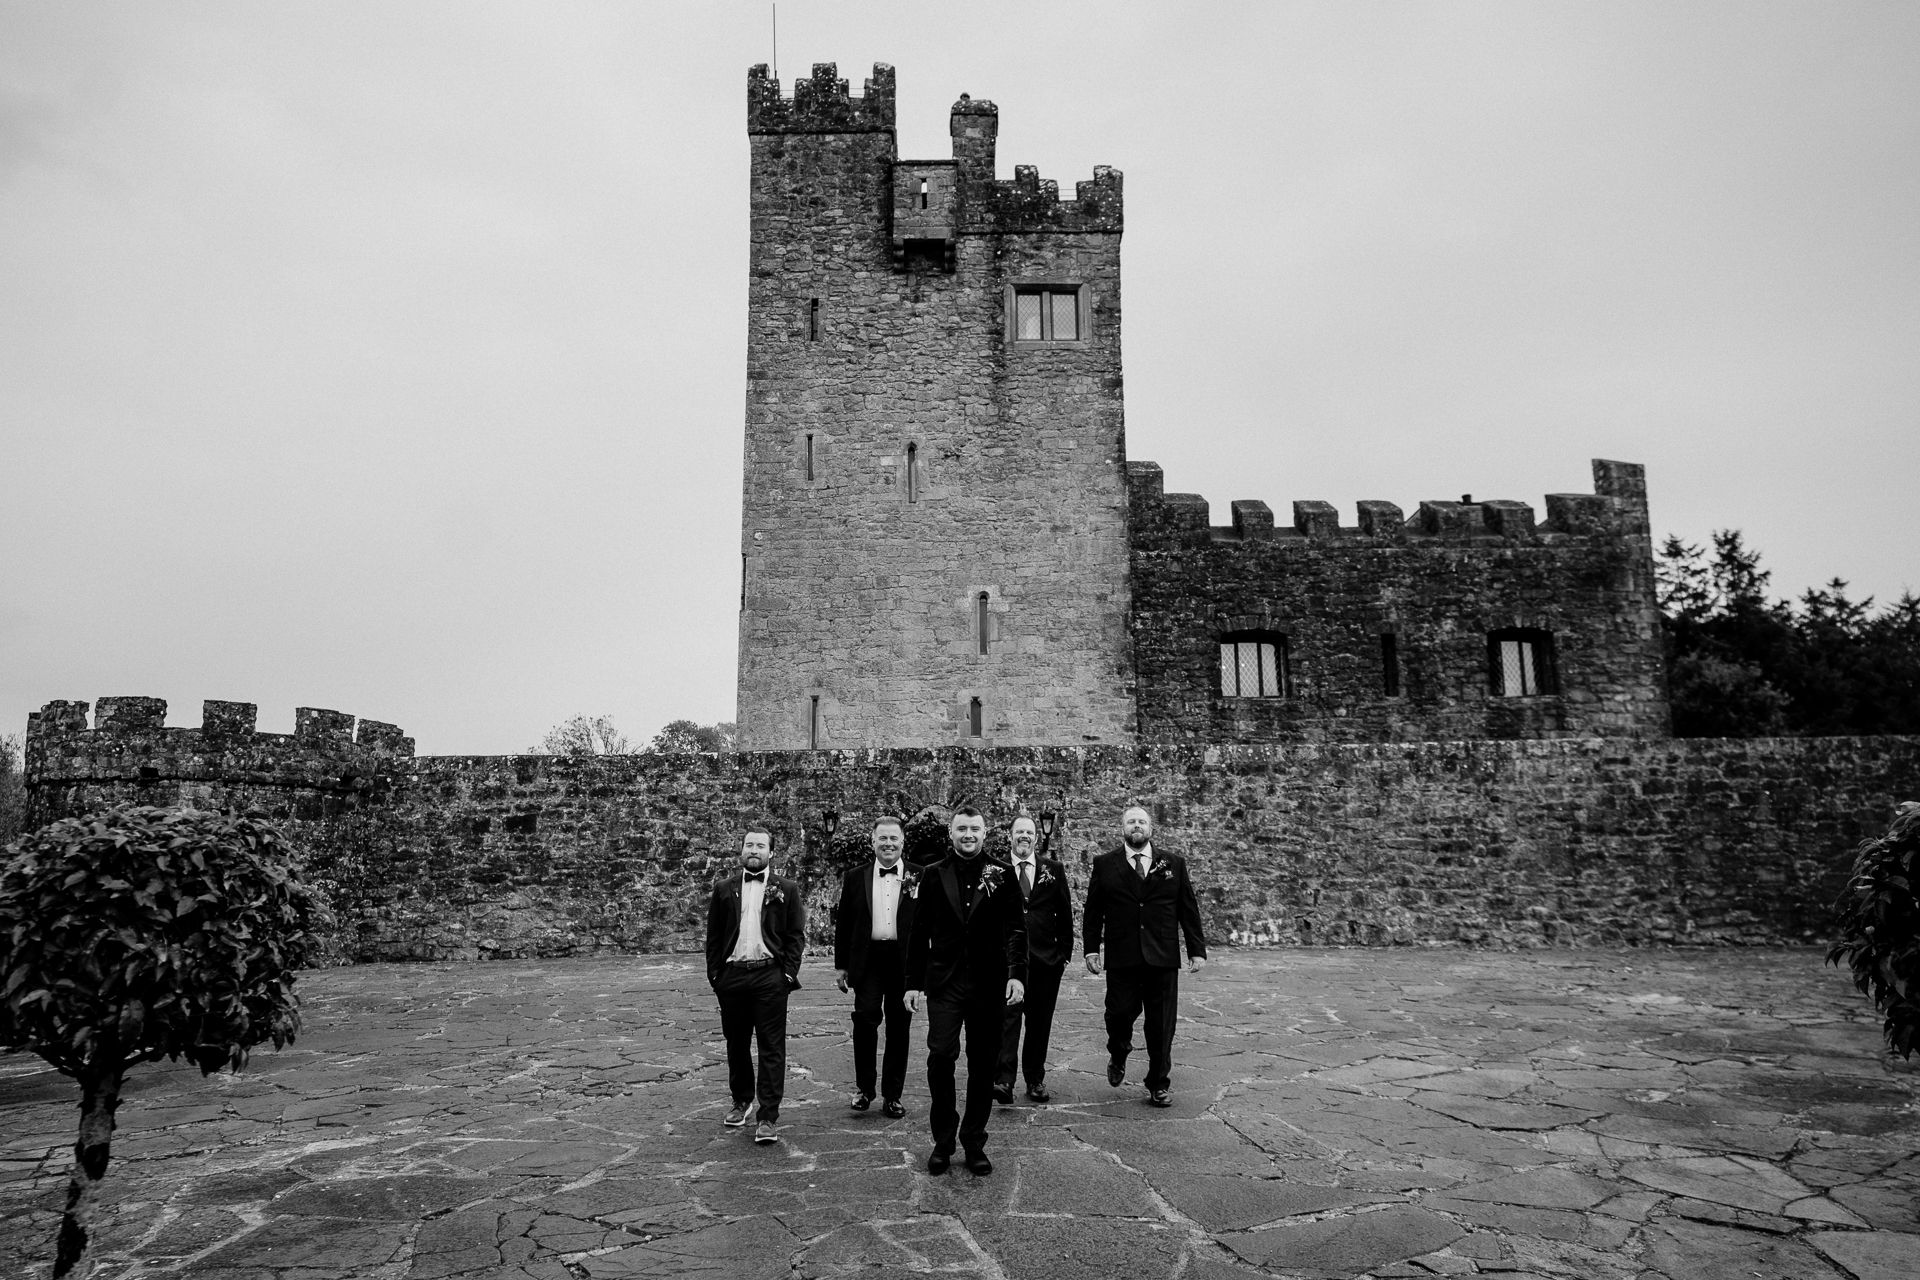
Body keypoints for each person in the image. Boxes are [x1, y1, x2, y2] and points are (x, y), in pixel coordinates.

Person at [904, 806, 1027, 1175]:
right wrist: (912, 983)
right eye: (962, 829)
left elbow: (1016, 930)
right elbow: (918, 931)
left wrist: (1016, 975)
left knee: (983, 1062)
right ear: (951, 833)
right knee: (940, 1056)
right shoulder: (931, 875)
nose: (968, 834)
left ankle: (974, 1141)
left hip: (988, 983)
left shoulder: (1003, 875)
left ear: (985, 833)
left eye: (974, 829)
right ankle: (943, 1140)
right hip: (945, 981)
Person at [1083, 805, 1206, 1107]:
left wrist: (1196, 949)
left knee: (1161, 1024)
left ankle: (1158, 1082)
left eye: (1142, 822)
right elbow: (1093, 910)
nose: (1136, 826)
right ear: (1122, 828)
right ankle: (1118, 1051)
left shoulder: (1173, 864)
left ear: (1151, 829)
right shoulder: (1104, 864)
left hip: (1162, 955)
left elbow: (1187, 908)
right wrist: (1090, 949)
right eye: (1131, 822)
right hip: (1122, 955)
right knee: (1118, 1015)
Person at [704, 824, 805, 1144]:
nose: (754, 851)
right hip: (732, 977)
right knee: (736, 1043)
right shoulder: (724, 888)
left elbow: (795, 936)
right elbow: (714, 937)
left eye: (761, 846)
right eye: (749, 845)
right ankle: (741, 1101)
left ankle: (768, 1116)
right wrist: (716, 977)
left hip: (769, 977)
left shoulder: (786, 888)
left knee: (771, 1047)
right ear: (741, 849)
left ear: (771, 852)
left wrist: (786, 975)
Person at [833, 815, 921, 1118]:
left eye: (893, 838)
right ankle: (865, 1089)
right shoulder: (856, 876)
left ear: (902, 842)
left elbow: (927, 927)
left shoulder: (919, 876)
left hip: (903, 962)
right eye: (882, 838)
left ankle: (892, 1095)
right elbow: (844, 923)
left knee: (899, 1027)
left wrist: (922, 972)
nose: (888, 843)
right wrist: (841, 966)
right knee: (865, 1019)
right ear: (873, 842)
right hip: (868, 960)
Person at [994, 815, 1074, 1103]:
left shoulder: (1053, 870)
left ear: (1036, 838)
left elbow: (1065, 915)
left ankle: (1035, 1079)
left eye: (1029, 832)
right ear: (1010, 836)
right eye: (1019, 832)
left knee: (1039, 1024)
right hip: (1007, 962)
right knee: (1007, 1020)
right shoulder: (995, 869)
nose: (1024, 836)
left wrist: (1063, 955)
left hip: (1045, 962)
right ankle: (1004, 1080)